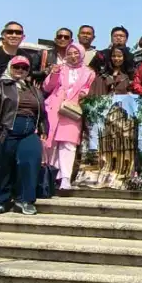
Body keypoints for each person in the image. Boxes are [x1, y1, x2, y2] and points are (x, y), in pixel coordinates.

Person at [0, 56, 47, 215]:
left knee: (30, 162)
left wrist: (43, 129)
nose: (20, 70)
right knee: (0, 166)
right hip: (6, 129)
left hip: (29, 130)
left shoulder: (33, 88)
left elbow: (41, 112)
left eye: (24, 68)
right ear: (10, 67)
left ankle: (25, 200)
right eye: (17, 67)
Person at [42, 43, 94, 191]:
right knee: (49, 143)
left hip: (72, 110)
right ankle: (49, 175)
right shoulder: (61, 68)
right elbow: (47, 87)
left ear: (82, 54)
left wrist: (84, 94)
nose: (73, 56)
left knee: (68, 144)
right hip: (54, 108)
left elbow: (88, 89)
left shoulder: (89, 72)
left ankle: (65, 177)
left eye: (76, 53)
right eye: (70, 53)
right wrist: (54, 74)